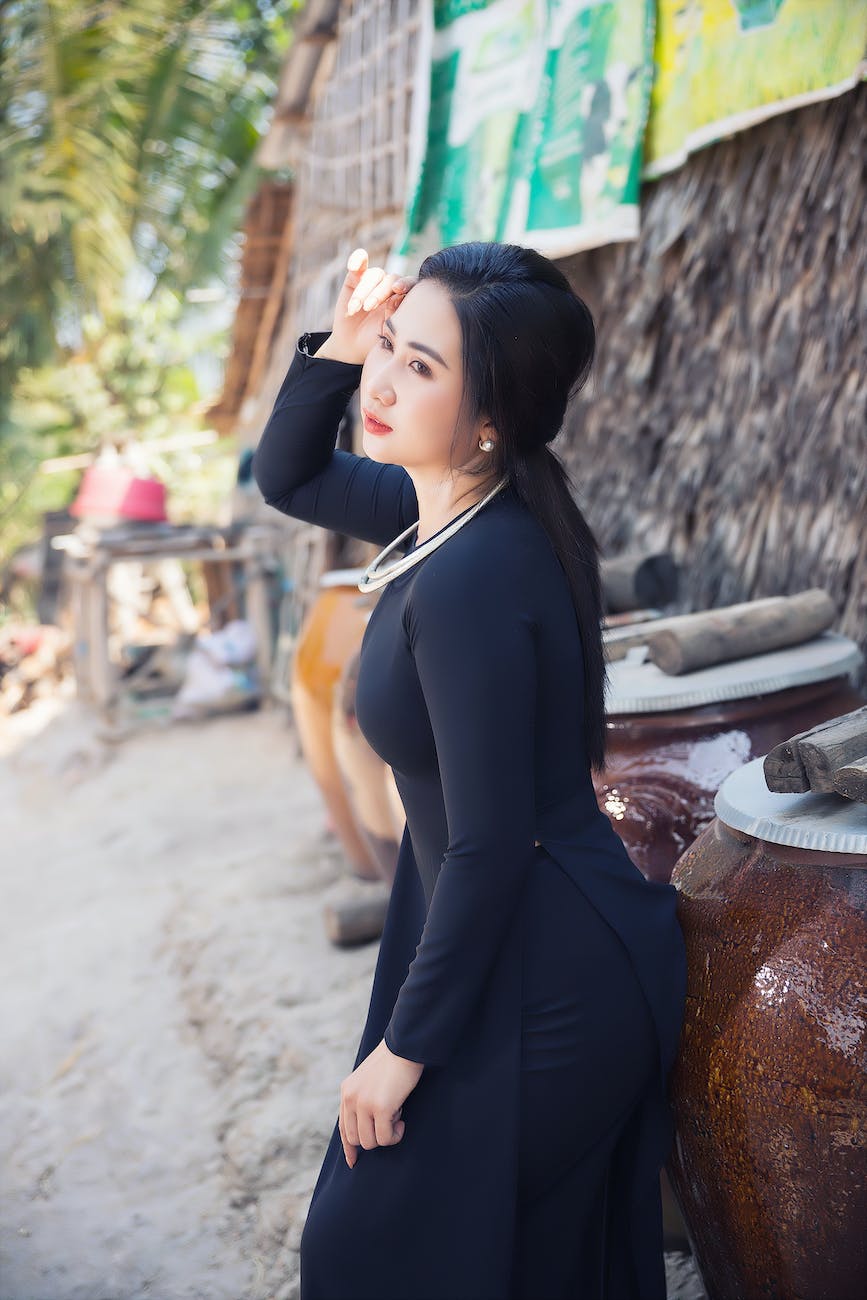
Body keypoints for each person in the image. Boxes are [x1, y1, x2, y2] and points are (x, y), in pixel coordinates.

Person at [252, 243, 687, 1299]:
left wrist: (404, 1049)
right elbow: (290, 474)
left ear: (490, 415)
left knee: (364, 1249)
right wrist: (342, 347)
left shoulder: (474, 574)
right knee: (527, 1262)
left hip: (554, 964)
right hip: (506, 924)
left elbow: (491, 841)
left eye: (422, 368)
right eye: (391, 349)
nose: (384, 385)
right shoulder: (449, 510)